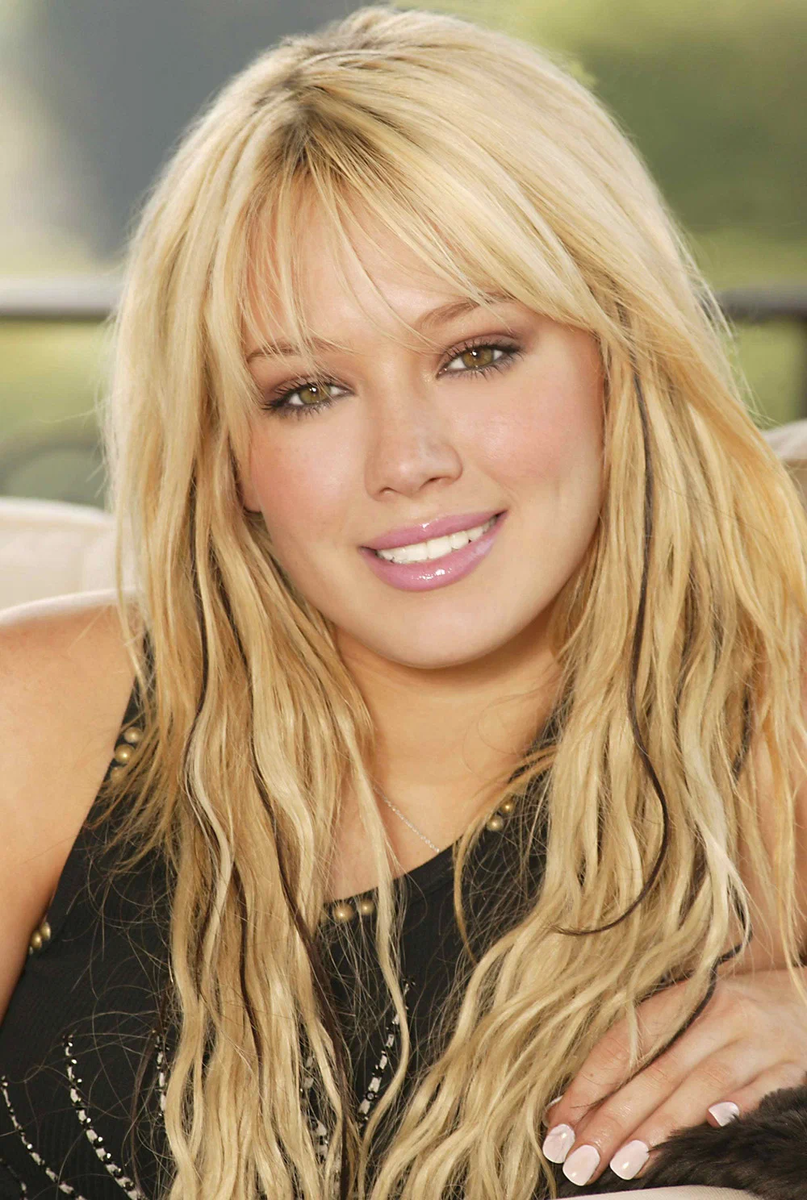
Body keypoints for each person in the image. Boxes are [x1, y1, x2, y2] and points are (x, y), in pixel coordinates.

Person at [2, 5, 807, 1199]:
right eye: (307, 391)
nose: (408, 461)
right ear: (227, 448)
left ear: (619, 355)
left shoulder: (769, 709)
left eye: (478, 353)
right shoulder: (43, 719)